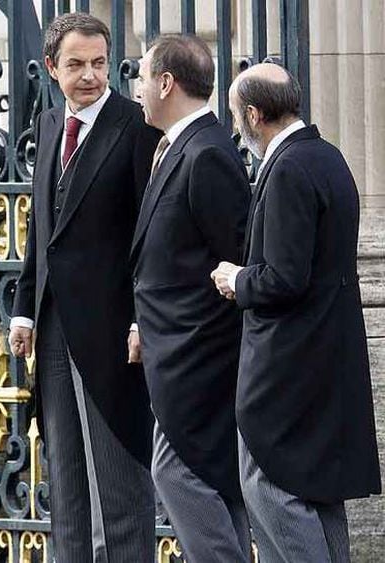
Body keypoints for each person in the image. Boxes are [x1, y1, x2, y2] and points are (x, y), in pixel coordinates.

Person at [211, 63, 381, 562]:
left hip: (288, 363)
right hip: (324, 354)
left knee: (270, 485)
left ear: (254, 114)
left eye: (238, 117)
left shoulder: (287, 167)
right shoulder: (326, 155)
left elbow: (284, 277)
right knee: (317, 493)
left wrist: (235, 279)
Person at [8, 12, 160, 563]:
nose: (91, 75)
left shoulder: (136, 125)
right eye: (76, 65)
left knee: (120, 490)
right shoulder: (49, 124)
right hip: (51, 330)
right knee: (67, 490)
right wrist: (24, 311)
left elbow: (148, 237)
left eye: (99, 62)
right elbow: (41, 233)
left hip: (113, 335)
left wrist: (143, 320)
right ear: (52, 68)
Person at [128, 34, 252, 562]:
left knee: (174, 470)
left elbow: (232, 261)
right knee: (214, 479)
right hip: (171, 348)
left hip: (198, 355)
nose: (134, 87)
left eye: (141, 76)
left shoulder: (207, 153)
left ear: (165, 82)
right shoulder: (179, 145)